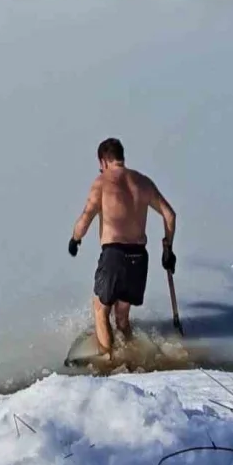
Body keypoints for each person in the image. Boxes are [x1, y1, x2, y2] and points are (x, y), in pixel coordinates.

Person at [68, 137, 177, 359]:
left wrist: (75, 239)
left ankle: (108, 362)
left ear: (103, 160)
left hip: (114, 255)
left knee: (100, 309)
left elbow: (86, 217)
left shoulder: (102, 182)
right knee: (122, 317)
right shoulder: (143, 182)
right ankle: (131, 355)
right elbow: (170, 215)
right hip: (139, 257)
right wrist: (168, 248)